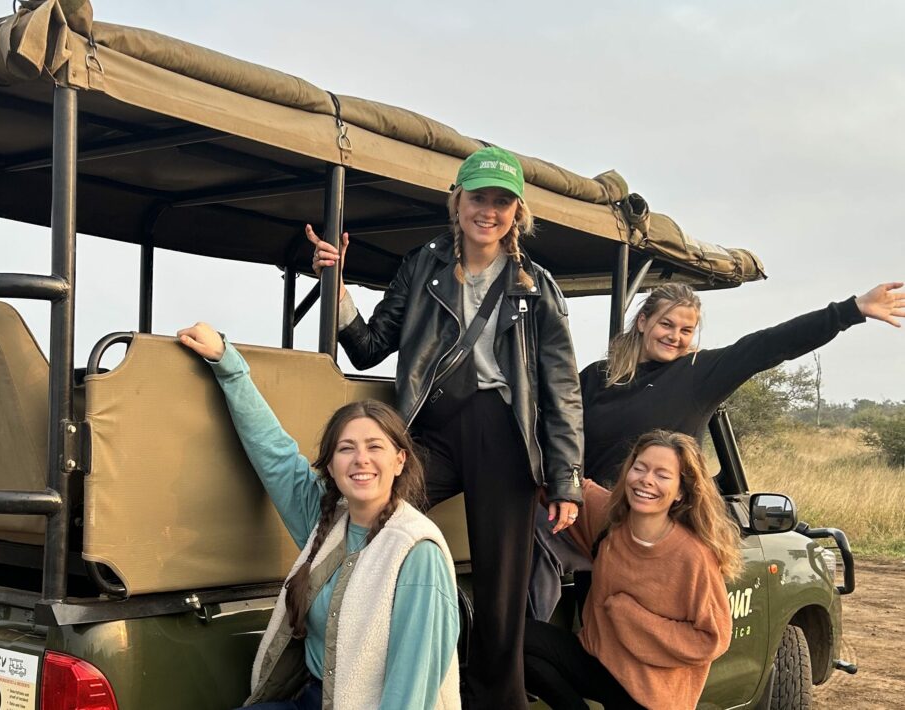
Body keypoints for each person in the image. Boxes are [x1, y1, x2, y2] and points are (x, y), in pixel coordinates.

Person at [310, 145, 584, 709]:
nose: (489, 210)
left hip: (504, 434)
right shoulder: (423, 263)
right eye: (479, 197)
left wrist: (566, 480)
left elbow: (560, 387)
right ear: (457, 201)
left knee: (503, 589)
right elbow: (369, 348)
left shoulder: (535, 285)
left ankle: (498, 702)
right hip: (430, 426)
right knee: (373, 522)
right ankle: (356, 662)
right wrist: (336, 288)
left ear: (517, 212)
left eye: (502, 202)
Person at [176, 322, 461, 710]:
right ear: (331, 465)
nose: (361, 459)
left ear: (399, 460)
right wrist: (228, 363)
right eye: (346, 449)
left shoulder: (415, 551)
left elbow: (410, 689)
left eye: (374, 446)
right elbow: (273, 454)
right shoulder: (326, 521)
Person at [582, 281, 905, 486]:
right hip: (588, 517)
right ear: (643, 322)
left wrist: (850, 311)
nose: (674, 337)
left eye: (685, 330)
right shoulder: (597, 377)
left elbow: (767, 345)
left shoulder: (698, 373)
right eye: (666, 324)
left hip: (657, 520)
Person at [523, 430, 740, 710]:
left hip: (649, 692)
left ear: (680, 493)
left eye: (662, 475)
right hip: (598, 661)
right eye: (640, 468)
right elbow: (563, 484)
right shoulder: (609, 520)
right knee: (511, 638)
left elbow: (712, 638)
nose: (647, 480)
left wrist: (629, 616)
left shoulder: (693, 556)